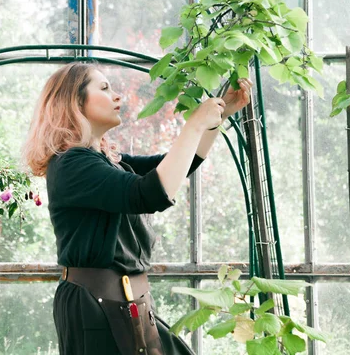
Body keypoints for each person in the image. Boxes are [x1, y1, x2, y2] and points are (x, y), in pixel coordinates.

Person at [22, 62, 252, 355]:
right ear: (75, 102)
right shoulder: (72, 164)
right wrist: (194, 122)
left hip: (127, 302)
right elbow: (151, 193)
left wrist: (218, 117)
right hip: (97, 306)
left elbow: (176, 167)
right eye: (104, 88)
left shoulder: (104, 160)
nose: (117, 96)